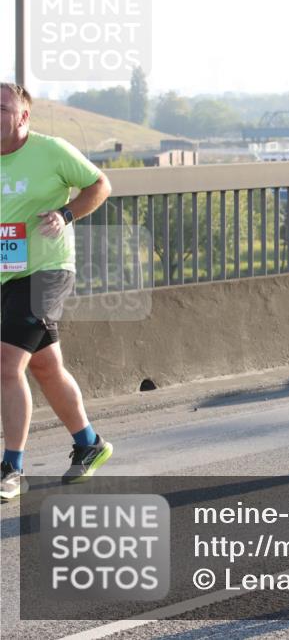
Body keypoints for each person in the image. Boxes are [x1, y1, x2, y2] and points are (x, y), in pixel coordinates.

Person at [1, 83, 114, 501]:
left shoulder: (51, 151)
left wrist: (66, 214)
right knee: (45, 367)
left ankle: (11, 468)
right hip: (7, 276)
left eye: (3, 108)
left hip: (47, 272)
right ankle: (89, 443)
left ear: (23, 116)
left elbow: (100, 184)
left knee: (6, 364)